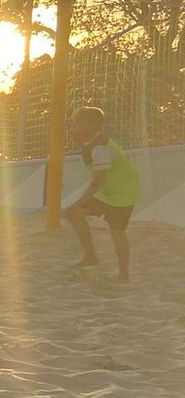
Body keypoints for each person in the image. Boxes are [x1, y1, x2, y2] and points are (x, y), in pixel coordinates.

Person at [66, 105, 140, 282]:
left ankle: (123, 275)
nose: (73, 126)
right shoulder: (89, 143)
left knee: (117, 232)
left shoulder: (101, 148)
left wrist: (80, 200)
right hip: (108, 192)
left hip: (123, 194)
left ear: (92, 126)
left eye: (78, 123)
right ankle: (91, 257)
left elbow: (99, 180)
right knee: (74, 213)